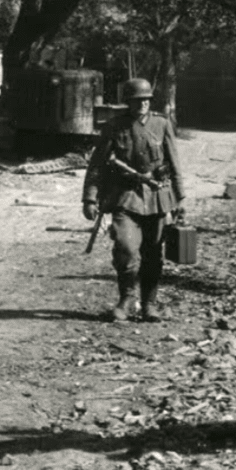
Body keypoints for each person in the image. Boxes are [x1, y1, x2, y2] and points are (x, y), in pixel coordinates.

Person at [82, 78, 185, 322]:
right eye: (137, 100)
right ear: (128, 102)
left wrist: (180, 198)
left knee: (153, 254)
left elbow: (174, 163)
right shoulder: (114, 126)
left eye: (146, 100)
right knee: (126, 249)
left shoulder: (162, 124)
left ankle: (149, 303)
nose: (142, 104)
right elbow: (97, 166)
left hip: (157, 198)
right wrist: (89, 198)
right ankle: (127, 299)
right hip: (125, 197)